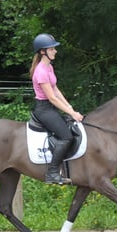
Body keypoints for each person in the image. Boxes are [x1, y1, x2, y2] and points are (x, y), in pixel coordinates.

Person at [30, 33, 84, 184]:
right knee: (67, 137)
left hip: (51, 108)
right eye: (52, 49)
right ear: (42, 52)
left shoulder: (49, 68)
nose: (55, 51)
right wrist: (71, 113)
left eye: (54, 49)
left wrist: (69, 107)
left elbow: (56, 90)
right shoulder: (40, 71)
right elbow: (51, 98)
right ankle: (52, 173)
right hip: (44, 110)